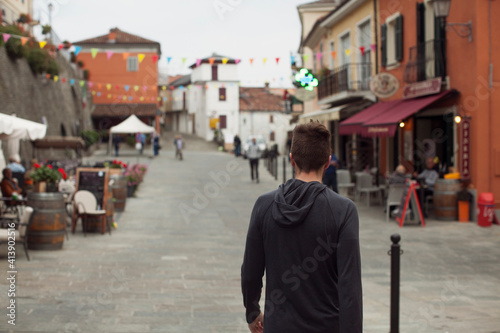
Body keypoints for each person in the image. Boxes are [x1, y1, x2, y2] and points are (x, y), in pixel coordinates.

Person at [241, 122, 362, 333]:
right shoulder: (343, 210)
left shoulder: (264, 205)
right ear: (327, 162)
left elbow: (251, 271)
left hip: (279, 325)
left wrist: (252, 312)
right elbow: (349, 288)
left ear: (291, 159)